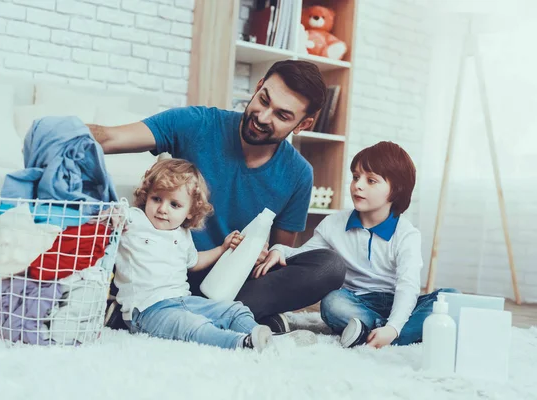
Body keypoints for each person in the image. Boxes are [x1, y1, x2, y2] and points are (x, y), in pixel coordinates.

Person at [89, 60, 346, 333]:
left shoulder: (298, 174)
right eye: (263, 100)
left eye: (282, 115)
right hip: (166, 272)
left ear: (302, 124)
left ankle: (191, 314)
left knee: (329, 266)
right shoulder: (197, 123)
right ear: (258, 87)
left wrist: (261, 255)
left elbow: (276, 255)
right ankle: (223, 316)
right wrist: (51, 134)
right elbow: (109, 138)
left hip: (228, 283)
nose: (262, 117)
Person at [258, 141, 458, 348]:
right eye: (355, 177)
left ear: (396, 189)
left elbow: (407, 286)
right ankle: (391, 334)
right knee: (332, 303)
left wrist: (394, 326)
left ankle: (375, 333)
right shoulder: (334, 224)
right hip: (355, 302)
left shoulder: (407, 234)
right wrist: (278, 249)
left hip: (397, 301)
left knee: (452, 299)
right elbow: (305, 257)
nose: (358, 185)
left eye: (371, 180)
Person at [109, 158, 315, 350]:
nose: (162, 209)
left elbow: (194, 261)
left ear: (189, 211)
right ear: (146, 196)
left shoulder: (182, 234)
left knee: (234, 310)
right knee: (193, 325)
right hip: (146, 310)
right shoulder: (135, 220)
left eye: (174, 205)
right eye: (156, 199)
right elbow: (114, 214)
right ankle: (242, 343)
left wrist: (222, 249)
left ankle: (268, 338)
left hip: (182, 300)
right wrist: (114, 215)